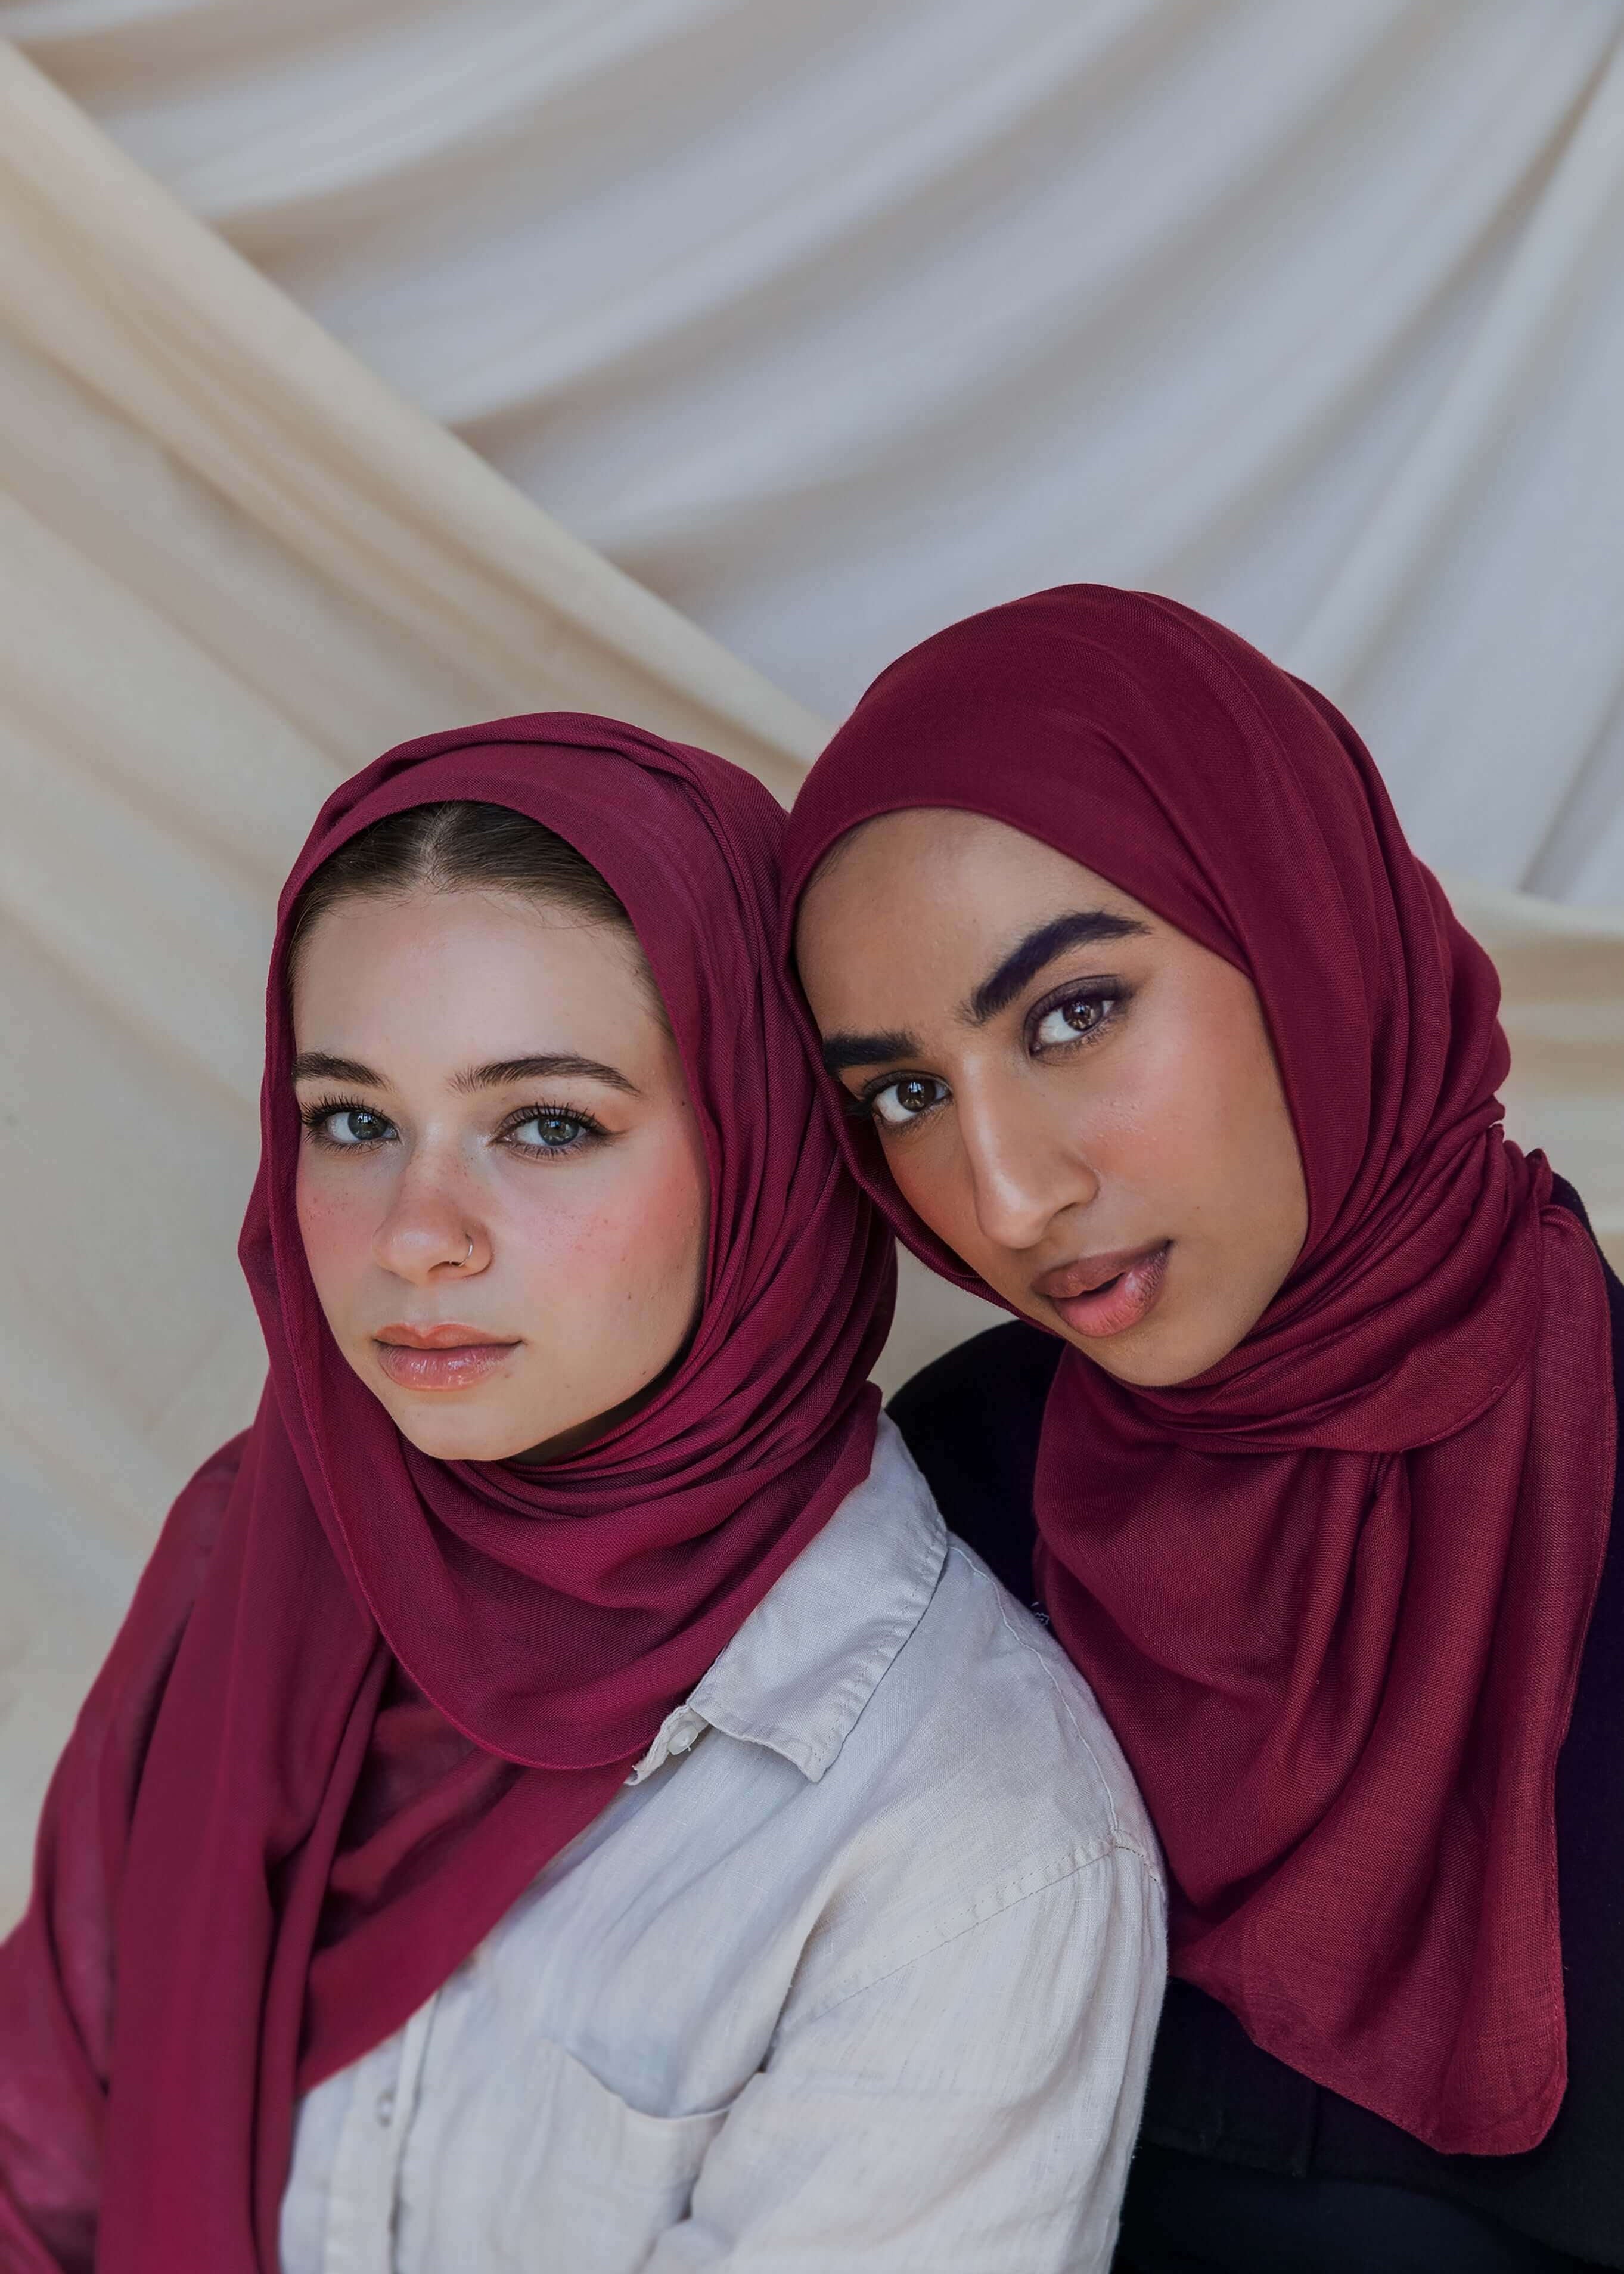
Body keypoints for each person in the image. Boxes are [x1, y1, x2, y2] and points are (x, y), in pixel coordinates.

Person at [0, 712, 1165, 2274]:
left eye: (546, 1126)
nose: (418, 1233)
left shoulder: (964, 1835)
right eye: (354, 1121)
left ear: (767, 1151)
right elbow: (39, 2162)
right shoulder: (256, 1552)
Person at [780, 588, 1623, 2274]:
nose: (1009, 1195)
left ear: (1304, 928)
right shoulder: (946, 1507)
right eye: (906, 1095)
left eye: (1073, 1015)